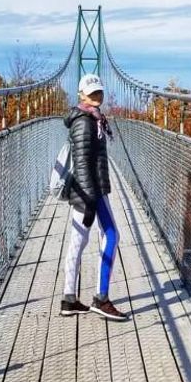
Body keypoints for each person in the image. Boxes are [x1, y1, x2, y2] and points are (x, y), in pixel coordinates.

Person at [60, 73, 129, 321]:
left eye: (99, 92)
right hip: (90, 191)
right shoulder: (84, 122)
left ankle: (69, 299)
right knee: (111, 235)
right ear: (81, 95)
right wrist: (89, 199)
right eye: (91, 93)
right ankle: (101, 298)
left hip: (90, 189)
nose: (96, 96)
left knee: (78, 242)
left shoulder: (92, 118)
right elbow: (81, 163)